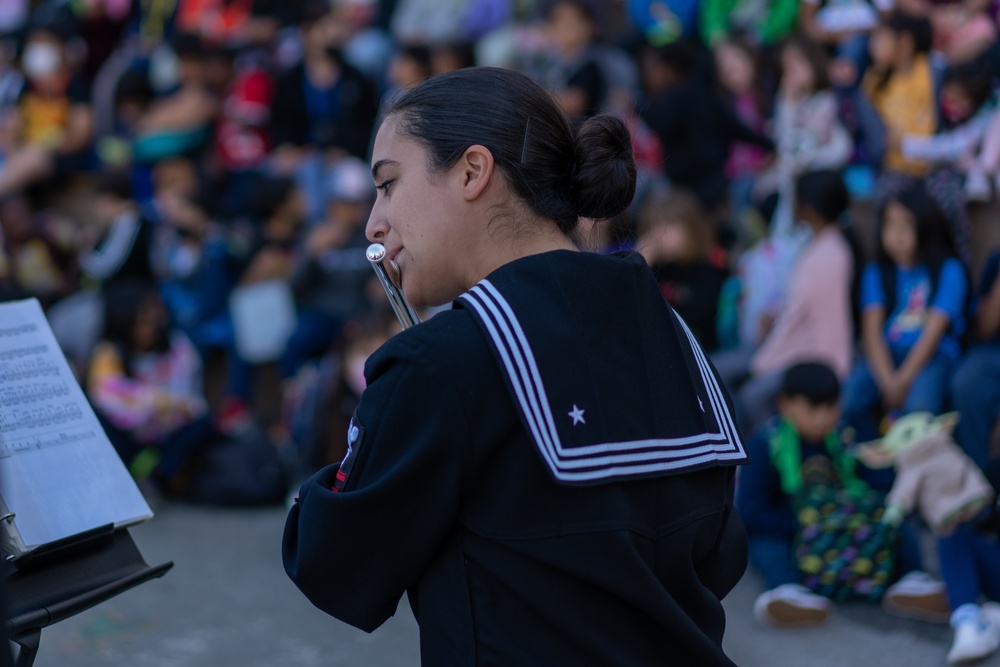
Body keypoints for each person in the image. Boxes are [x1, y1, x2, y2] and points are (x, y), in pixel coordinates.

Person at [283, 66, 750, 666]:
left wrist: (389, 406)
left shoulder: (439, 362)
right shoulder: (675, 333)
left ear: (472, 172)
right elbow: (718, 557)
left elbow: (331, 564)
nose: (375, 223)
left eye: (389, 184)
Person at [842, 184, 970, 442]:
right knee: (851, 398)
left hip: (931, 356)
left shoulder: (949, 270)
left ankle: (913, 474)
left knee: (919, 409)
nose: (895, 235)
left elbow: (933, 335)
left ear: (926, 227)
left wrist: (902, 380)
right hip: (886, 355)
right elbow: (871, 333)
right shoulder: (878, 271)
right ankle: (871, 472)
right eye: (889, 225)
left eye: (905, 226)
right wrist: (888, 380)